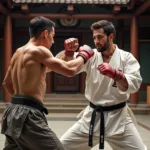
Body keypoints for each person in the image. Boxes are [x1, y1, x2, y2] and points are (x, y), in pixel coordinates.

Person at [1, 16, 94, 150]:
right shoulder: (40, 51)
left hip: (12, 111)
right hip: (28, 115)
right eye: (52, 36)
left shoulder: (18, 52)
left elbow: (6, 83)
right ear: (45, 33)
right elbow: (70, 70)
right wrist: (84, 55)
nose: (52, 41)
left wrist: (68, 53)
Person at [57, 20, 147, 150]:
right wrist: (68, 53)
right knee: (61, 146)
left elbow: (135, 83)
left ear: (111, 36)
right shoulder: (90, 55)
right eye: (94, 37)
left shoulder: (126, 58)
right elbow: (67, 66)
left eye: (100, 37)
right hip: (92, 117)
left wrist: (116, 75)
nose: (96, 41)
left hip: (119, 118)